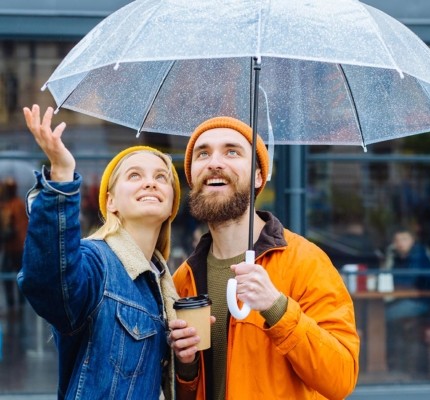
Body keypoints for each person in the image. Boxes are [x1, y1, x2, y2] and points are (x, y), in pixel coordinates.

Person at [168, 117, 359, 400]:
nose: (214, 163)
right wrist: (186, 368)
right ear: (192, 176)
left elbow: (341, 378)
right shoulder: (183, 279)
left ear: (259, 176)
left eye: (232, 151)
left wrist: (277, 307)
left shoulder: (305, 262)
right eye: (203, 154)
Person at [17, 105, 181, 399]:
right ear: (111, 201)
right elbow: (47, 283)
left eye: (161, 177)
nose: (150, 182)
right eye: (134, 175)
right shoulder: (96, 262)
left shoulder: (167, 290)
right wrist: (62, 179)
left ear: (172, 204)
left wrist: (188, 360)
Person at [382, 226, 430, 322]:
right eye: (397, 240)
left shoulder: (418, 255)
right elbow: (388, 275)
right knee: (378, 310)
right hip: (405, 298)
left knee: (383, 315)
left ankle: (384, 337)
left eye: (404, 239)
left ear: (412, 240)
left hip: (421, 301)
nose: (400, 243)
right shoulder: (398, 257)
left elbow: (408, 281)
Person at [0, 177, 28, 311]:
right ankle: (12, 304)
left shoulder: (17, 205)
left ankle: (20, 304)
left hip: (18, 247)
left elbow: (20, 226)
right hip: (10, 246)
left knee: (19, 275)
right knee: (8, 275)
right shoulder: (7, 205)